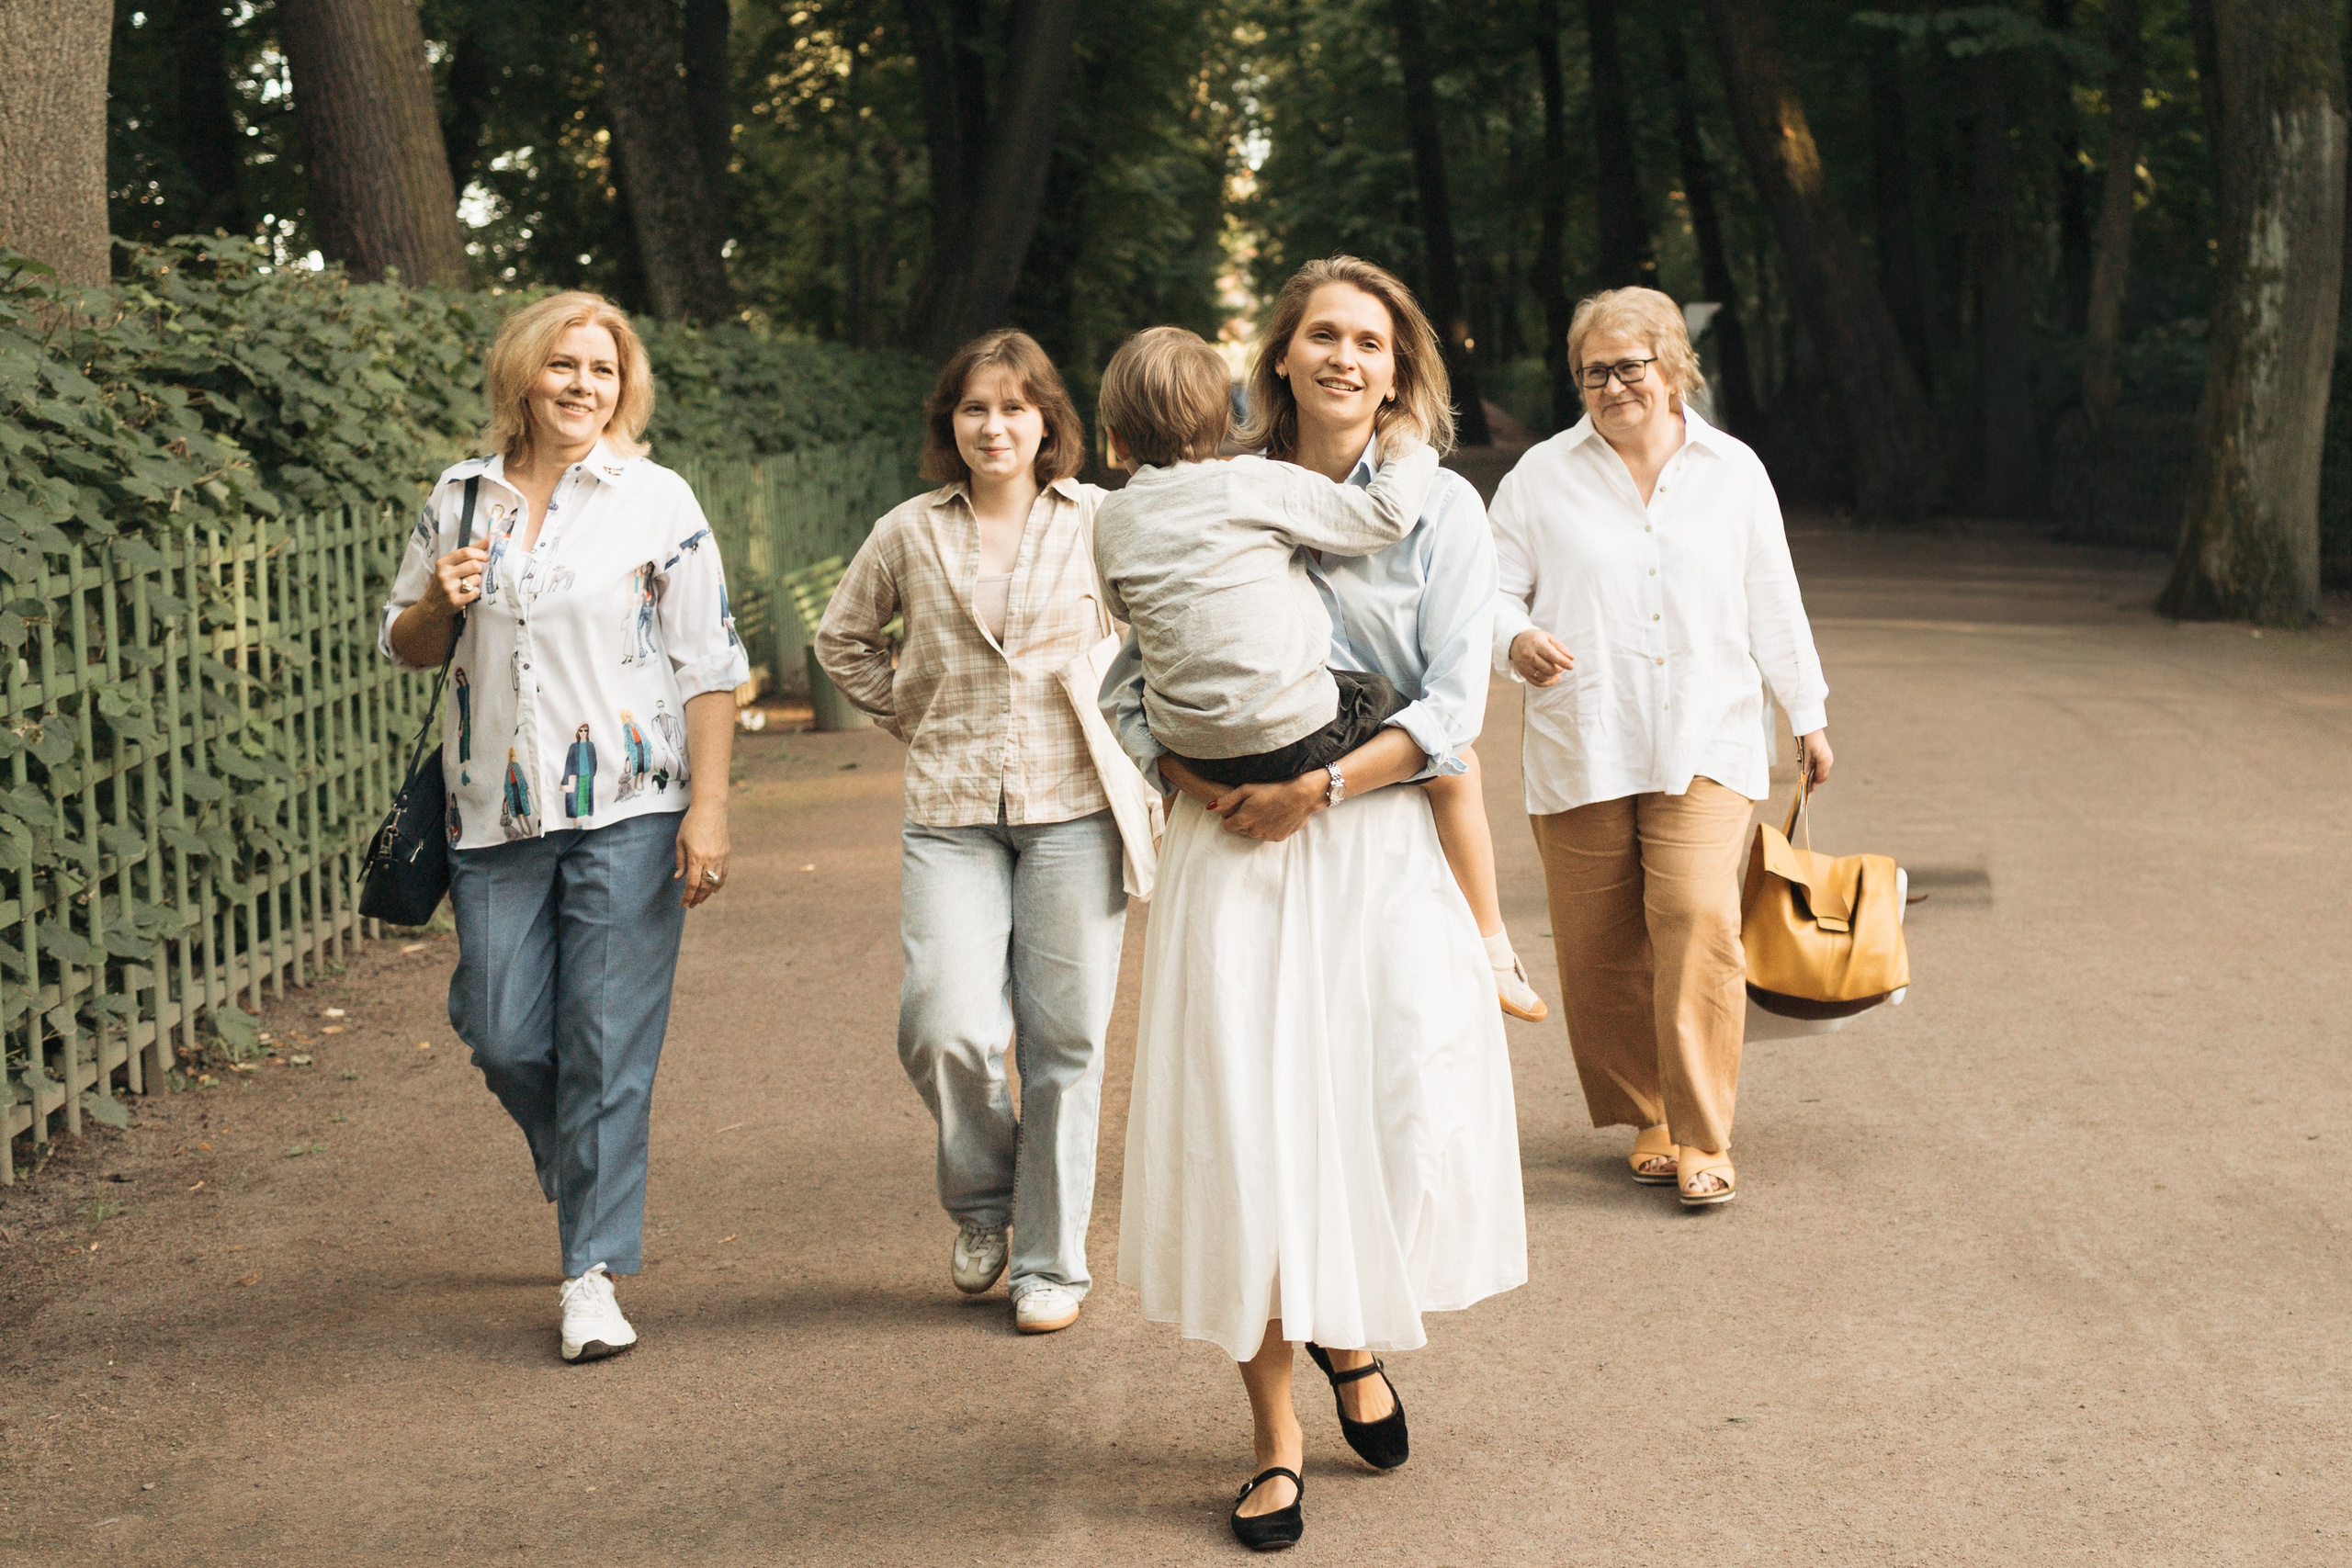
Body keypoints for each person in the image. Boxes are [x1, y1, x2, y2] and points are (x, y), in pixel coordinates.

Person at [1106, 255, 1527, 1551]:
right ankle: (1276, 1437)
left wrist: (1323, 784)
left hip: (1374, 837)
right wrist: (1193, 773)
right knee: (1250, 1137)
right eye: (1323, 335)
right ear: (1277, 356)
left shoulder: (1444, 508)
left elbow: (1455, 704)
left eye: (1372, 340)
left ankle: (1348, 1326)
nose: (1347, 356)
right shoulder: (1201, 494)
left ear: (1398, 367)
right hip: (1233, 847)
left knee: (1390, 1119)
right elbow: (1129, 682)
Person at [380, 289, 746, 1363]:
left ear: (622, 388)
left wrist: (710, 810)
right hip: (489, 807)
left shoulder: (653, 497)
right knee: (498, 1028)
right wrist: (441, 603)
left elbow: (708, 665)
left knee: (604, 1044)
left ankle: (590, 1269)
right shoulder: (459, 498)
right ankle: (583, 1162)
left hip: (631, 805)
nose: (583, 386)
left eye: (602, 369)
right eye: (563, 366)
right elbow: (404, 642)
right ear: (523, 377)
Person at [1490, 286, 1832, 1210]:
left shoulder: (1733, 471)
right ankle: (1646, 1109)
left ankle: (1702, 1131)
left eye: (1627, 367)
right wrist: (1512, 640)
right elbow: (1488, 593)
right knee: (1601, 945)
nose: (1609, 386)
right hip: (1584, 734)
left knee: (1694, 916)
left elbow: (1772, 595)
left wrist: (1808, 713)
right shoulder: (1539, 479)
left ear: (1674, 365)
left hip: (1705, 732)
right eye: (1591, 372)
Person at [814, 329, 1126, 1337]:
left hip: (1077, 807)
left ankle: (1049, 1263)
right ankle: (984, 1204)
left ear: (1048, 424)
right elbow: (842, 638)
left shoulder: (1100, 524)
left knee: (1062, 1044)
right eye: (974, 409)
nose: (995, 426)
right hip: (950, 812)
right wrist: (915, 714)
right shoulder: (909, 529)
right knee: (944, 1026)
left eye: (1015, 408)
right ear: (950, 423)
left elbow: (1155, 638)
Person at [1090, 324, 1441, 785]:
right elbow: (1383, 516)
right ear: (1222, 427)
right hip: (1292, 735)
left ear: (1117, 441)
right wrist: (1408, 441)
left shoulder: (1110, 515)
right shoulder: (1252, 480)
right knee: (1390, 705)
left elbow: (1124, 609)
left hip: (1190, 749)